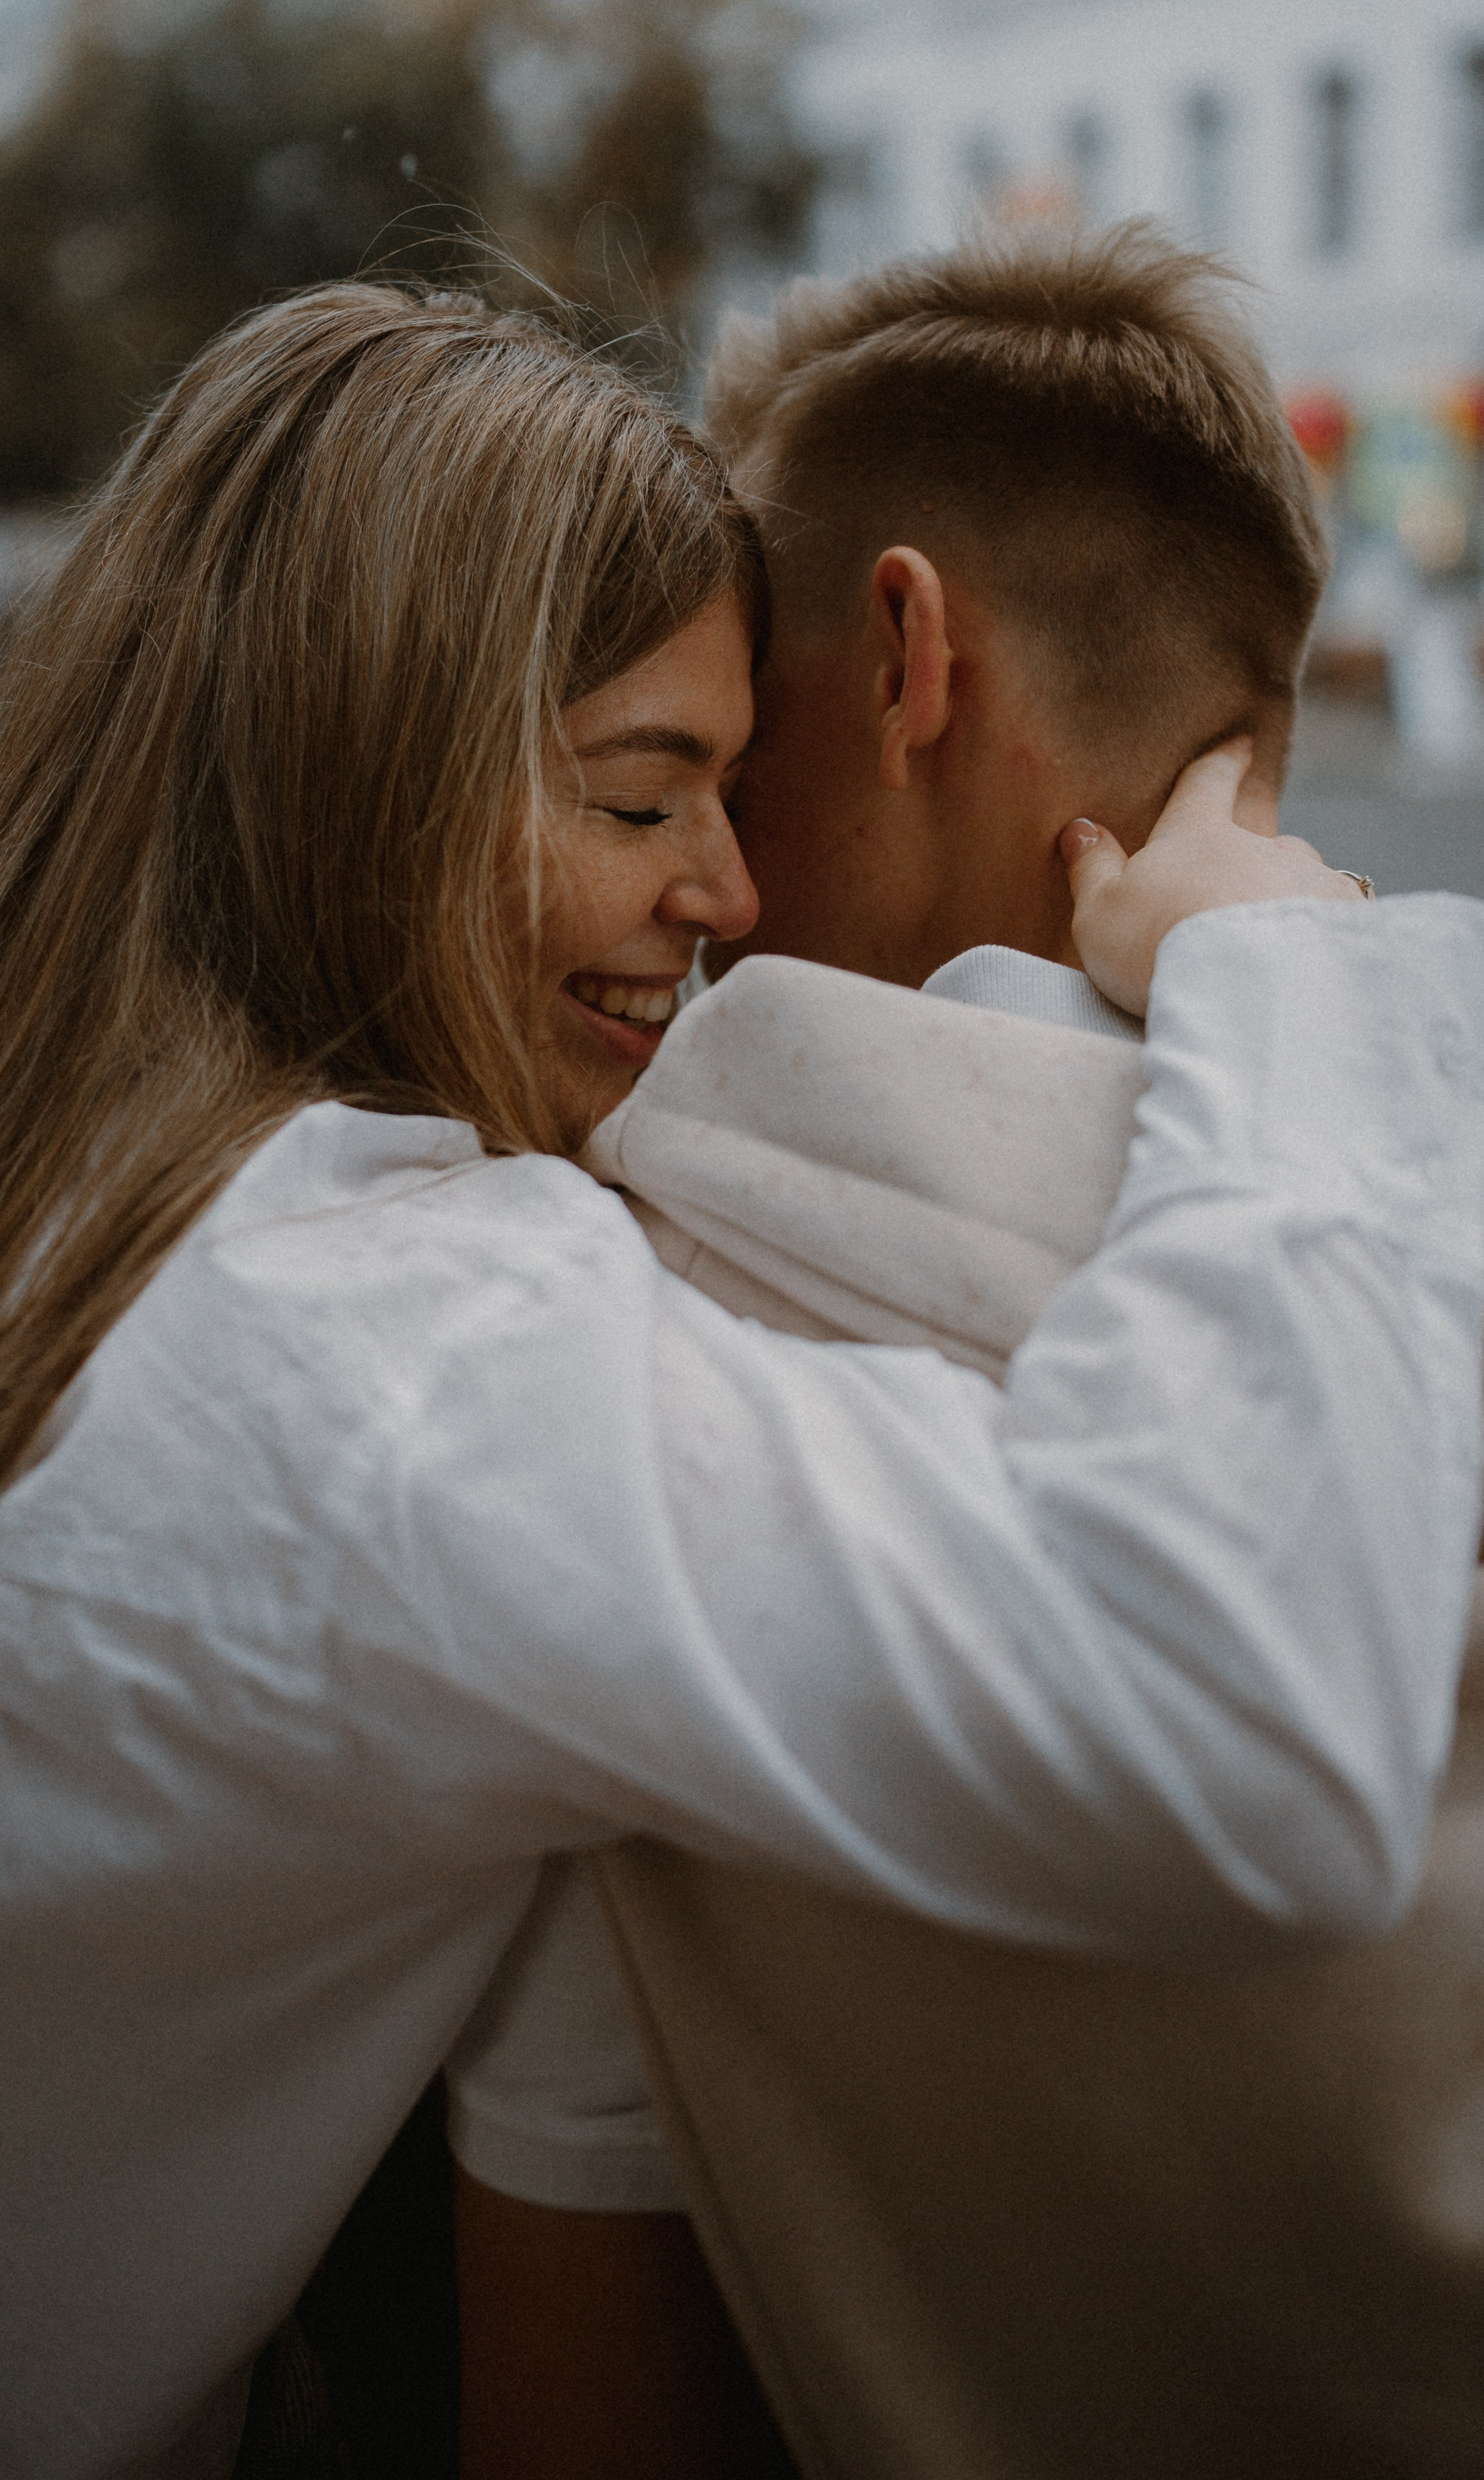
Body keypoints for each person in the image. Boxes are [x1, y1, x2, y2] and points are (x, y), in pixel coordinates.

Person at [0, 275, 1480, 2480]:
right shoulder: (399, 1350)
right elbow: (1235, 1714)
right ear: (368, 780)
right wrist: (1292, 978)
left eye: (729, 774)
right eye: (641, 797)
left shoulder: (18, 1157)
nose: (725, 885)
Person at [578, 225, 1484, 2477]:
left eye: (728, 737)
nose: (713, 876)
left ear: (901, 652)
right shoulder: (1418, 1082)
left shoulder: (638, 1246)